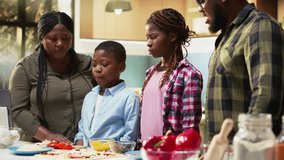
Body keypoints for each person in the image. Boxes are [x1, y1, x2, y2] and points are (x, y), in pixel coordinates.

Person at [195, 0, 284, 141]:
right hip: (226, 151)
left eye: (202, 1)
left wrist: (243, 148)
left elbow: (266, 97)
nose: (200, 9)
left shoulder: (260, 26)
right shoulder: (228, 35)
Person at [9, 11, 95, 143]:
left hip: (84, 146)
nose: (60, 43)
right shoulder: (25, 68)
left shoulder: (88, 64)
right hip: (39, 147)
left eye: (66, 38)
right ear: (41, 38)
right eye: (53, 38)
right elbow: (18, 111)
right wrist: (48, 136)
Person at [140, 8, 203, 141]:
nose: (148, 43)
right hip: (144, 151)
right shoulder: (149, 73)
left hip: (171, 152)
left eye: (153, 37)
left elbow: (190, 128)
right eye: (147, 37)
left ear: (172, 36)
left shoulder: (189, 74)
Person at [74, 41, 139, 146]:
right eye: (94, 64)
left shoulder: (129, 98)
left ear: (121, 67)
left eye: (104, 64)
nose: (97, 69)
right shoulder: (89, 96)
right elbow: (82, 131)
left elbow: (129, 137)